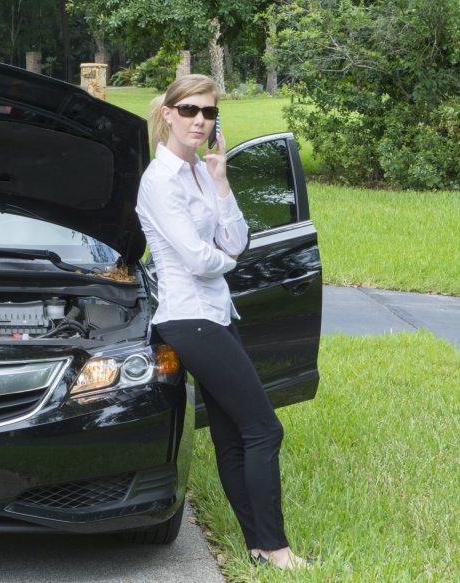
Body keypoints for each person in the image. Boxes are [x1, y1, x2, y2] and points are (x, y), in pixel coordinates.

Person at [135, 74, 310, 570]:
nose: (199, 120)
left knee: (236, 433)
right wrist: (226, 256)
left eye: (208, 113)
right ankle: (277, 550)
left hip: (215, 313)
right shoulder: (159, 180)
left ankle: (258, 546)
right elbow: (198, 259)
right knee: (263, 429)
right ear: (167, 113)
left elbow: (236, 238)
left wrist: (220, 180)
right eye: (189, 110)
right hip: (188, 317)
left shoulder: (198, 172)